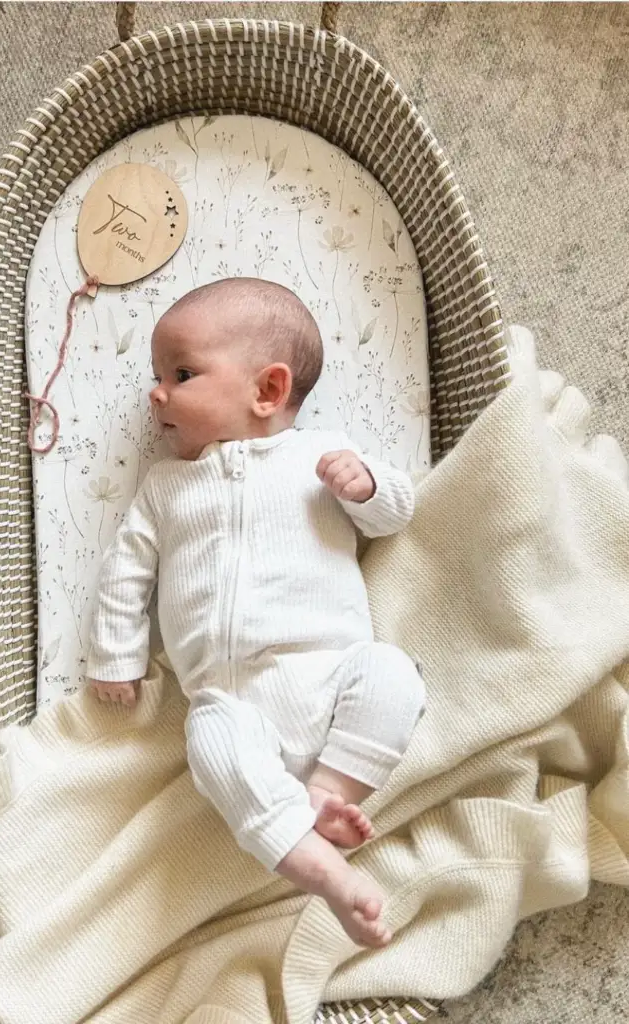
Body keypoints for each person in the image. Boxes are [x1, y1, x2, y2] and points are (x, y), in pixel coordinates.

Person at [86, 277, 425, 948]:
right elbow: (126, 572)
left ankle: (328, 793)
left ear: (267, 389)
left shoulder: (320, 456)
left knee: (394, 674)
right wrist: (116, 655)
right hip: (232, 700)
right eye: (157, 375)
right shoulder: (166, 487)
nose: (157, 393)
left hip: (331, 677)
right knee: (208, 738)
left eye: (181, 374)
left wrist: (366, 486)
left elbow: (395, 515)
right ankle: (322, 869)